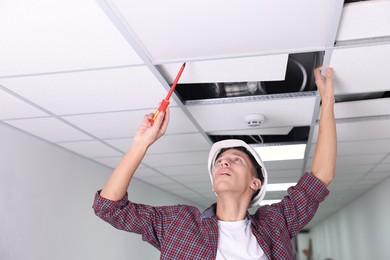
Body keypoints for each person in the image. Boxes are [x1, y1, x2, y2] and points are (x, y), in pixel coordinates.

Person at [93, 67, 337, 259]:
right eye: (220, 161)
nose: (224, 163)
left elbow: (321, 176)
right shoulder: (179, 224)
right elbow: (109, 208)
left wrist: (327, 101)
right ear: (213, 186)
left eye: (236, 160)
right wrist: (141, 143)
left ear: (255, 182)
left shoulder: (276, 224)